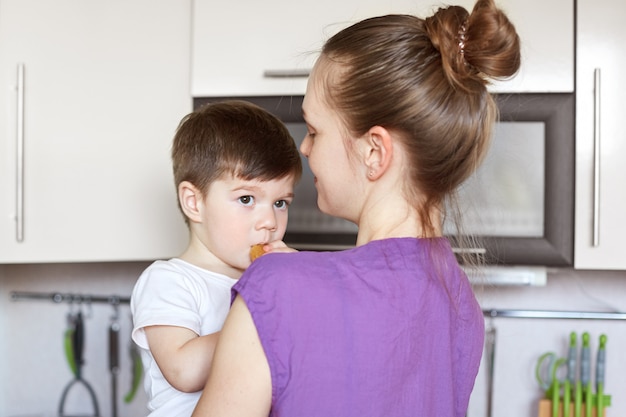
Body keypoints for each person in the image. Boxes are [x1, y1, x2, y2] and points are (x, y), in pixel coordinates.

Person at [192, 0, 520, 416]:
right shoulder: (460, 304)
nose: (304, 147)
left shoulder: (276, 289)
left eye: (314, 130)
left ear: (373, 151)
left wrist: (287, 282)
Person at [130, 100, 302, 417]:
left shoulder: (267, 282)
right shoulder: (169, 281)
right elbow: (183, 370)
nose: (270, 221)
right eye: (247, 198)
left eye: (280, 202)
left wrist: (296, 285)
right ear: (194, 202)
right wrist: (270, 325)